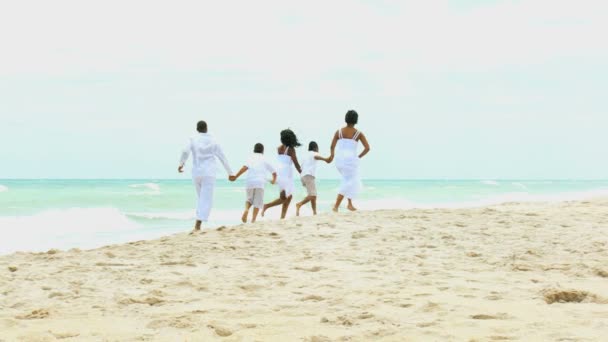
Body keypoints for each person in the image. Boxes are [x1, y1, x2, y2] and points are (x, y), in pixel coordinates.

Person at [178, 120, 234, 233]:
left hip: (196, 173)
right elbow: (222, 157)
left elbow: (185, 151)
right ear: (206, 128)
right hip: (209, 173)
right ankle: (198, 223)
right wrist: (230, 173)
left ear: (197, 129)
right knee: (206, 199)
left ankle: (199, 220)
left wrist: (181, 163)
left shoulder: (193, 139)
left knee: (201, 198)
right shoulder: (214, 141)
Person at [328, 110, 371, 212]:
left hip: (339, 160)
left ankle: (349, 204)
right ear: (356, 120)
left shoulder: (338, 132)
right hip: (350, 160)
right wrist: (358, 157)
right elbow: (367, 148)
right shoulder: (358, 133)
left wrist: (332, 156)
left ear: (346, 119)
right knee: (350, 182)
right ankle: (336, 206)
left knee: (347, 180)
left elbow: (332, 146)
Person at [229, 143, 277, 223]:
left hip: (250, 181)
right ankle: (253, 220)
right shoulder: (265, 159)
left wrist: (236, 176)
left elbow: (244, 168)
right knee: (257, 203)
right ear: (263, 151)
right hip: (260, 182)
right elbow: (274, 173)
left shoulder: (250, 158)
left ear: (254, 150)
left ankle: (246, 210)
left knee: (249, 199)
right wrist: (273, 181)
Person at [262, 129, 302, 219]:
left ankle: (282, 217)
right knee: (286, 197)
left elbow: (282, 160)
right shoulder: (291, 149)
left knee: (285, 196)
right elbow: (296, 163)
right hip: (286, 173)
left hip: (280, 172)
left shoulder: (279, 148)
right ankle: (267, 206)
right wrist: (302, 173)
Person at [295, 141, 330, 216]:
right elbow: (316, 156)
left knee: (312, 195)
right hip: (308, 175)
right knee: (313, 195)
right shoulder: (314, 153)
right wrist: (325, 159)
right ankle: (299, 204)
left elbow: (301, 167)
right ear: (315, 148)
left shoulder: (306, 155)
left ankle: (314, 212)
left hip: (303, 176)